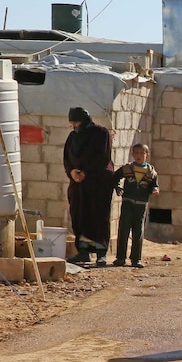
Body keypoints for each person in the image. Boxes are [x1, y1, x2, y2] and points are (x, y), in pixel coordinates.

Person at [63, 107, 115, 265]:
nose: (74, 126)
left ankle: (101, 253)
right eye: (72, 123)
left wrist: (87, 173)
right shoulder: (73, 137)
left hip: (98, 183)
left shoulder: (101, 133)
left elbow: (103, 157)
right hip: (78, 184)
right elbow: (67, 158)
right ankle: (83, 252)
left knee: (98, 216)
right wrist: (72, 172)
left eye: (76, 122)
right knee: (80, 216)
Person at [112, 143, 159, 268]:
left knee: (138, 232)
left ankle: (136, 259)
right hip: (128, 203)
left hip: (141, 205)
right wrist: (118, 187)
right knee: (123, 230)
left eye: (142, 153)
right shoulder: (128, 169)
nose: (139, 156)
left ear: (147, 155)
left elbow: (154, 185)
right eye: (136, 153)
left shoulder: (151, 172)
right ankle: (120, 258)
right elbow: (115, 177)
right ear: (133, 154)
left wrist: (154, 190)